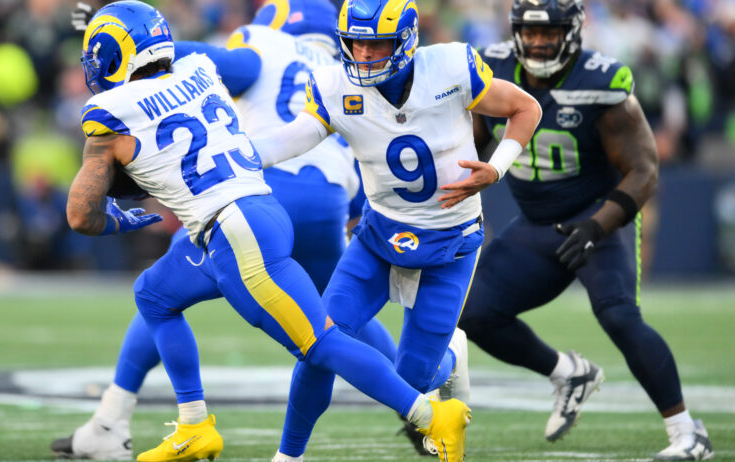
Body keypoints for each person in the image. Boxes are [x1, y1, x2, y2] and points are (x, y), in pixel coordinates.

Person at [65, 2, 470, 462]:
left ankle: (429, 414)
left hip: (237, 225)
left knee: (320, 342)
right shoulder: (223, 71)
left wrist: (118, 213)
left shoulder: (242, 53)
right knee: (155, 294)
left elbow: (81, 215)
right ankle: (194, 425)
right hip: (293, 202)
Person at [249, 0, 542, 459]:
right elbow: (296, 136)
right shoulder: (334, 84)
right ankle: (289, 456)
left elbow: (525, 108)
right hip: (379, 238)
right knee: (318, 344)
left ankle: (449, 357)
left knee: (408, 383)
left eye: (376, 43)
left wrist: (497, 167)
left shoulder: (448, 67)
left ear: (406, 41)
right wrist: (241, 154)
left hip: (451, 243)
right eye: (355, 43)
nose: (363, 55)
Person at [458, 1, 715, 460]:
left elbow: (644, 170)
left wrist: (598, 226)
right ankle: (566, 372)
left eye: (549, 32)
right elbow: (470, 143)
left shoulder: (599, 80)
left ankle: (687, 432)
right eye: (530, 32)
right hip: (536, 224)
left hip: (596, 218)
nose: (538, 42)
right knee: (472, 313)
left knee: (618, 314)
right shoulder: (489, 68)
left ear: (573, 32)